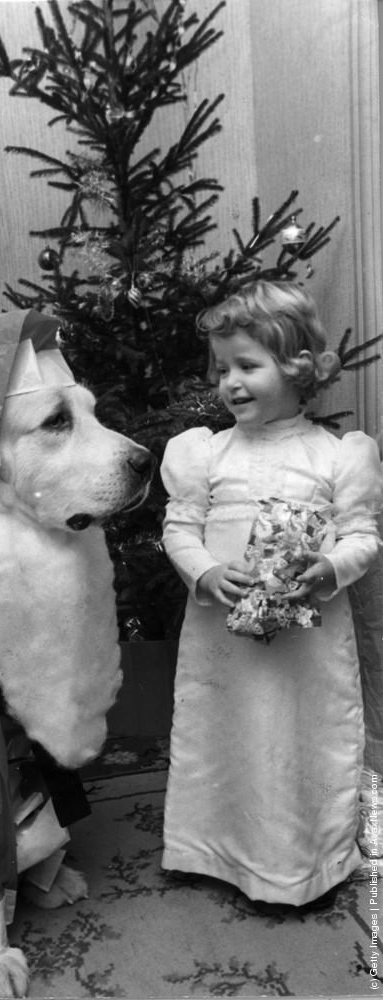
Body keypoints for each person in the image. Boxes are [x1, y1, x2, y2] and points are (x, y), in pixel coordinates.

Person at [160, 279, 383, 910]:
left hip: (306, 648)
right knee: (219, 731)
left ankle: (301, 860)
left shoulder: (338, 456)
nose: (229, 382)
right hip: (220, 638)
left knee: (298, 736)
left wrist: (331, 566)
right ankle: (208, 846)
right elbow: (179, 529)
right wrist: (204, 571)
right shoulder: (204, 453)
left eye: (247, 366)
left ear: (296, 368)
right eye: (221, 368)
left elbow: (365, 537)